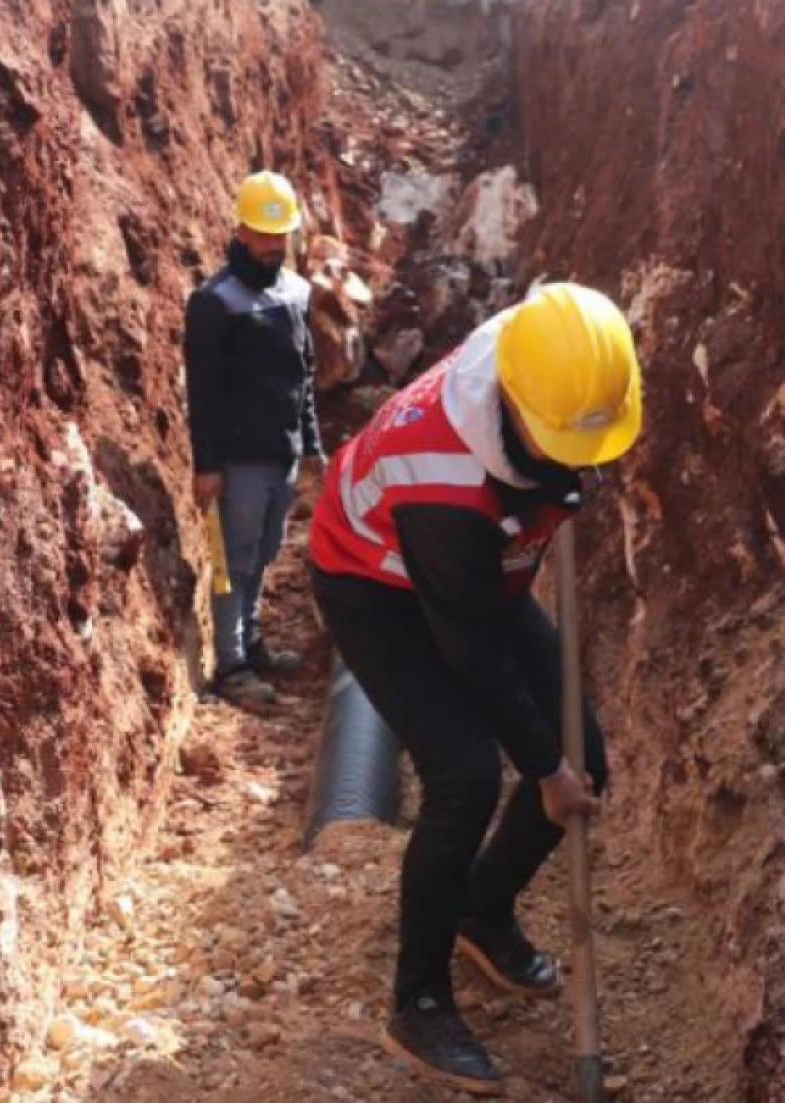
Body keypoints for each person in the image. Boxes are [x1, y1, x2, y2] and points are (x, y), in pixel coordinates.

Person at [306, 283, 642, 1095]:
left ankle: (481, 913)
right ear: (514, 403)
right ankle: (418, 997)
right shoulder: (442, 474)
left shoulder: (568, 364)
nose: (579, 456)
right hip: (375, 581)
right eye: (561, 442)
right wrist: (543, 767)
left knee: (584, 754)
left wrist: (564, 765)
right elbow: (471, 650)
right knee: (465, 773)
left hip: (482, 570)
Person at [184, 170, 327, 708]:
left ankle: (250, 639)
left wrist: (311, 445)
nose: (272, 246)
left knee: (264, 553)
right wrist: (207, 464)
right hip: (239, 459)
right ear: (241, 229)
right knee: (235, 560)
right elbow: (204, 391)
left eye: (280, 235)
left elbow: (304, 374)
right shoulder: (215, 302)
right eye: (263, 235)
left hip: (283, 451)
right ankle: (232, 663)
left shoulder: (296, 293)